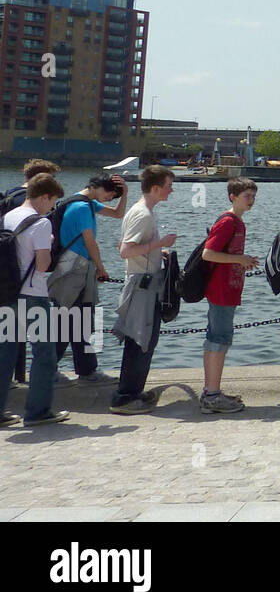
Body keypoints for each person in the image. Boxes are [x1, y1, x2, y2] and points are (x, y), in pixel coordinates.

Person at [0, 174, 69, 427]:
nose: (52, 209)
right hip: (33, 297)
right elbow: (42, 265)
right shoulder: (41, 223)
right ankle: (38, 412)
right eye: (52, 203)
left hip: (6, 295)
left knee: (5, 353)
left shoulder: (7, 217)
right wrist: (48, 245)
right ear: (44, 196)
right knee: (44, 355)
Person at [48, 174, 128, 384]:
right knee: (68, 322)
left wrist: (125, 193)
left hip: (72, 267)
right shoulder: (83, 208)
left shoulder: (84, 202)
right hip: (76, 269)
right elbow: (90, 242)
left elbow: (119, 214)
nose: (111, 197)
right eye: (110, 193)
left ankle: (85, 370)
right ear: (96, 187)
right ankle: (54, 370)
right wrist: (101, 268)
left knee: (77, 321)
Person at [111, 166, 177, 415]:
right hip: (143, 286)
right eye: (169, 185)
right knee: (141, 340)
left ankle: (130, 393)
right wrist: (160, 243)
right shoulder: (144, 215)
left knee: (140, 340)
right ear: (156, 188)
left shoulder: (138, 211)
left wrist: (153, 251)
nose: (171, 190)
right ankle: (126, 397)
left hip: (140, 282)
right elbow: (125, 250)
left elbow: (126, 245)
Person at [199, 178, 259, 415]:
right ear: (232, 196)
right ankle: (212, 395)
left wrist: (242, 262)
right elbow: (208, 254)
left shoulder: (237, 222)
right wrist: (239, 260)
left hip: (227, 288)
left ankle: (211, 391)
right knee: (219, 338)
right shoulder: (228, 221)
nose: (251, 201)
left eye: (253, 196)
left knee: (217, 337)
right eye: (247, 196)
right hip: (221, 290)